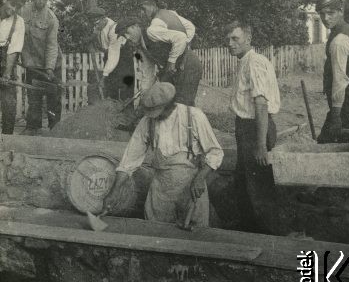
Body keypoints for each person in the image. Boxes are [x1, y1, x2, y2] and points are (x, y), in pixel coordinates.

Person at [103, 82, 223, 226]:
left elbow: (215, 152)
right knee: (157, 231)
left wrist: (200, 177)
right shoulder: (147, 122)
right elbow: (129, 159)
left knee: (193, 237)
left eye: (157, 112)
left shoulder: (194, 116)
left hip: (190, 188)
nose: (154, 117)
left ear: (169, 105)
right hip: (161, 190)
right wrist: (114, 191)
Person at [226, 20, 281, 233]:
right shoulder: (245, 61)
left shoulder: (254, 63)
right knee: (244, 183)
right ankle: (250, 231)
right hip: (247, 127)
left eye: (235, 39)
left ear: (248, 39)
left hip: (256, 128)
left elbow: (261, 104)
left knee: (259, 188)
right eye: (228, 40)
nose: (230, 44)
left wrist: (260, 145)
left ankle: (270, 236)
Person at [115, 15, 201, 106]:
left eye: (127, 33)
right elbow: (148, 74)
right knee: (169, 102)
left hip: (187, 63)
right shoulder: (141, 49)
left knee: (183, 103)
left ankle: (192, 118)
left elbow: (181, 37)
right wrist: (143, 98)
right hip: (173, 70)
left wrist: (171, 62)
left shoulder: (152, 32)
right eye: (124, 36)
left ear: (136, 27)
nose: (127, 38)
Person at [315, 0, 349, 143]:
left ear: (341, 11)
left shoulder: (339, 41)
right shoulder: (346, 31)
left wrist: (336, 116)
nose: (325, 18)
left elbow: (339, 80)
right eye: (322, 14)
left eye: (331, 13)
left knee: (347, 145)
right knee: (336, 141)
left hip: (345, 101)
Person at [19, 0, 62, 134]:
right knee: (33, 97)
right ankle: (33, 127)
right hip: (32, 63)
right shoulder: (23, 11)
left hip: (52, 63)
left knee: (53, 99)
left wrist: (49, 68)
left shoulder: (51, 18)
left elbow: (52, 45)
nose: (42, 1)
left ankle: (55, 129)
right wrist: (25, 60)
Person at [85, 6, 131, 100]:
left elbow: (113, 56)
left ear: (103, 18)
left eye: (97, 23)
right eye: (94, 24)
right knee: (111, 84)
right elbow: (96, 36)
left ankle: (124, 109)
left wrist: (104, 76)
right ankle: (111, 109)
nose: (96, 26)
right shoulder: (99, 26)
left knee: (123, 84)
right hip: (109, 53)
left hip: (122, 54)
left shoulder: (114, 30)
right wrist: (91, 38)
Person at [0, 0, 26, 134]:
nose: (15, 9)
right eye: (13, 4)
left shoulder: (19, 22)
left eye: (19, 6)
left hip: (6, 60)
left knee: (8, 102)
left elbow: (14, 49)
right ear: (5, 0)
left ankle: (7, 140)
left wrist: (7, 74)